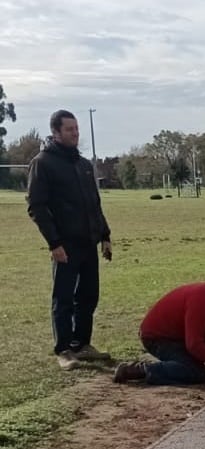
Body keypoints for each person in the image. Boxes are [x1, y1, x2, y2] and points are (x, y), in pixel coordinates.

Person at [27, 109, 113, 370]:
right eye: (69, 130)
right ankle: (64, 350)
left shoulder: (84, 165)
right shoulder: (43, 163)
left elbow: (94, 204)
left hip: (88, 241)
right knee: (63, 297)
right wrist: (54, 243)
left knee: (88, 295)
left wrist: (105, 235)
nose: (75, 133)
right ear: (55, 132)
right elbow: (36, 207)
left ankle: (81, 344)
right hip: (65, 244)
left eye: (76, 129)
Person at [112, 265, 205, 385]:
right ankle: (138, 370)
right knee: (194, 372)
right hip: (157, 337)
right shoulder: (203, 300)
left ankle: (188, 365)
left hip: (179, 336)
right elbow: (194, 344)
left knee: (198, 369)